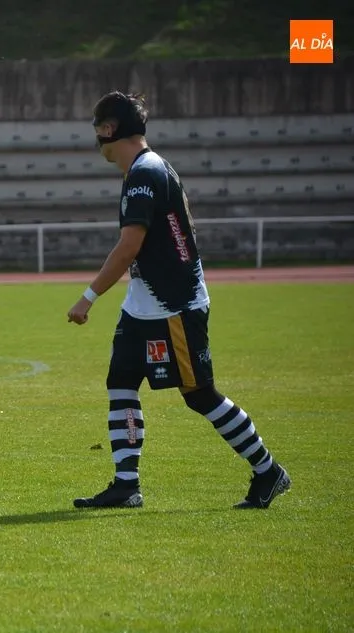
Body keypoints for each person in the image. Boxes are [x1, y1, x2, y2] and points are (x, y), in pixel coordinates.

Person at [66, 90, 290, 510]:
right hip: (144, 304)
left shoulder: (144, 174)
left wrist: (88, 297)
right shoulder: (148, 170)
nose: (97, 139)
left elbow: (129, 246)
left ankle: (268, 470)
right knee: (120, 383)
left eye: (98, 130)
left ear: (110, 129)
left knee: (200, 395)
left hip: (174, 306)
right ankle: (126, 485)